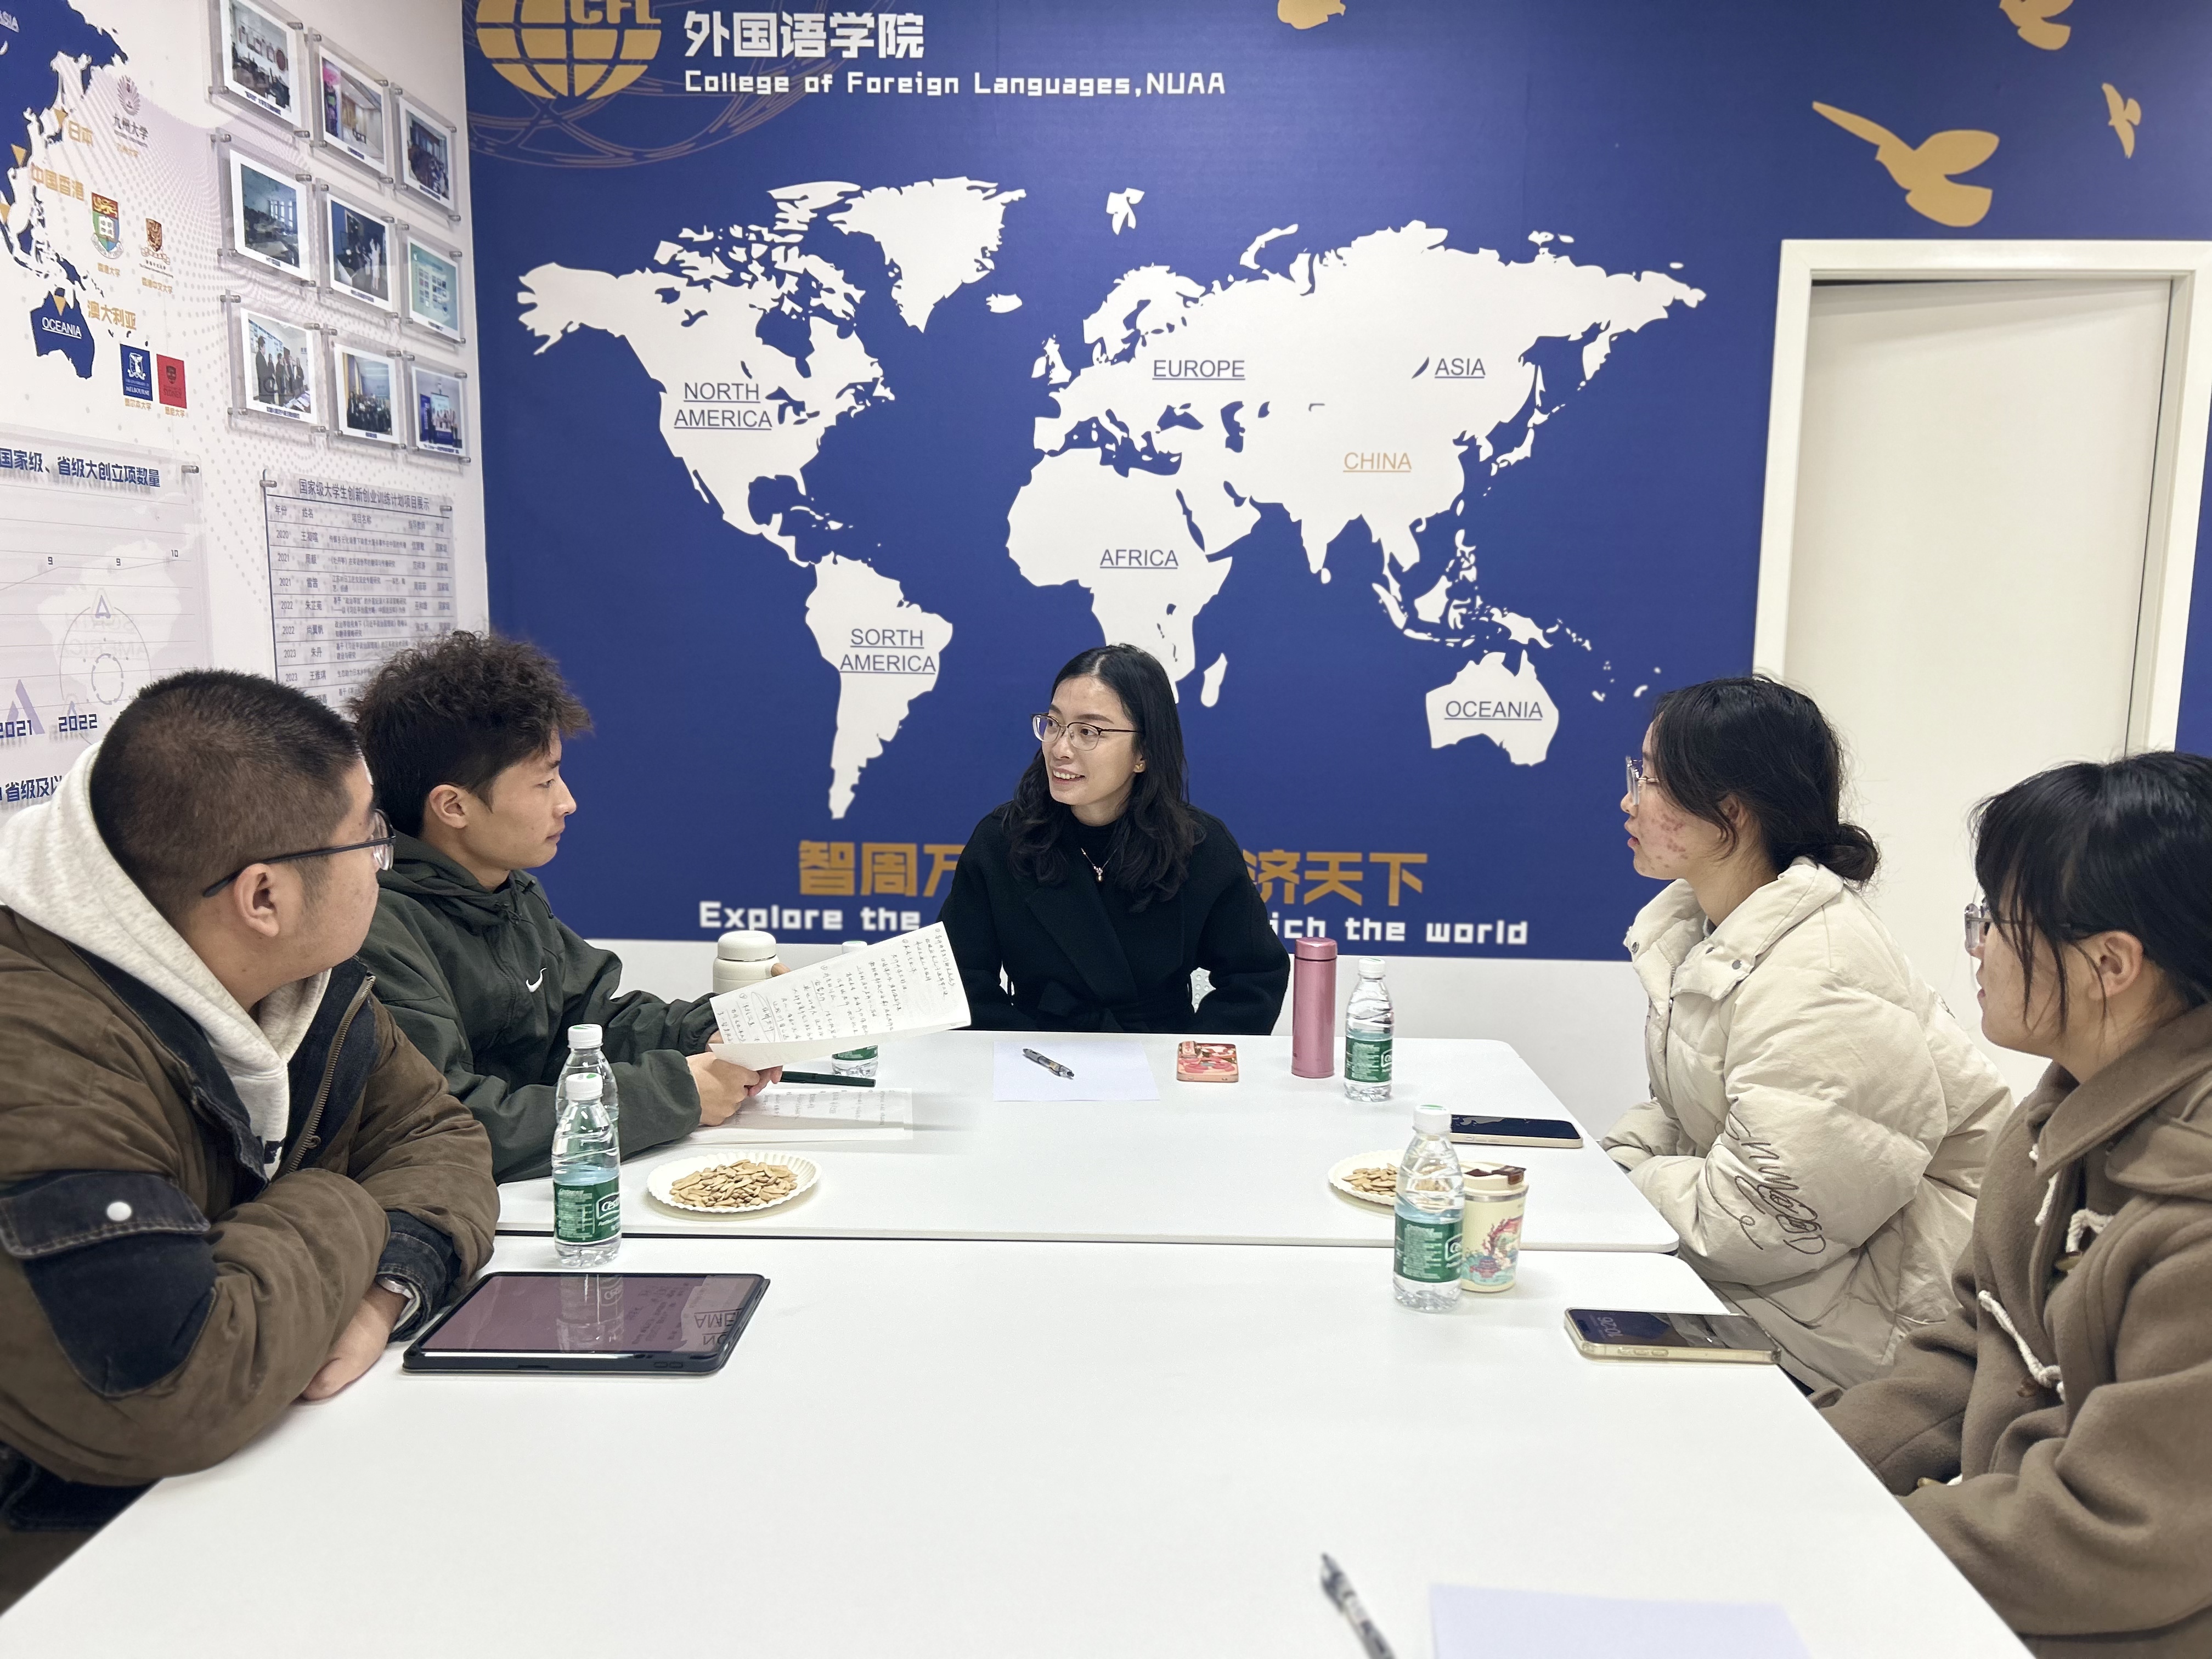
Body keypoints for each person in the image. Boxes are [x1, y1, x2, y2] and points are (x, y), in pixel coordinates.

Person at [0, 672, 496, 1611]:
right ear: (263, 895)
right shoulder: (39, 1054)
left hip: (243, 1504)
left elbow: (434, 1133)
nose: (383, 862)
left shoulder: (300, 973)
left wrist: (386, 1289)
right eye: (369, 838)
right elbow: (169, 1390)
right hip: (73, 1577)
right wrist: (339, 1199)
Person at [1819, 753, 2212, 1652]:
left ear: (2110, 963)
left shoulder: (2193, 1211)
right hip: (2011, 1574)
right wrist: (1804, 1469)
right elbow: (1978, 1342)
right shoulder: (2060, 1118)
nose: (1978, 945)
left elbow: (2121, 1534)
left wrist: (1850, 1542)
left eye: (1997, 919)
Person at [1601, 676, 2008, 1391]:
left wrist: (1626, 1184)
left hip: (1863, 1333)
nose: (1630, 801)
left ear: (1730, 812)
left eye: (1653, 780)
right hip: (1790, 1291)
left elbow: (1759, 1221)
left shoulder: (1822, 973)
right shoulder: (1714, 926)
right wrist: (1604, 1168)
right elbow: (1692, 1115)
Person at [349, 632, 770, 1183]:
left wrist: (725, 1025)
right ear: (453, 806)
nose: (567, 801)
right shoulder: (375, 930)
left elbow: (589, 1022)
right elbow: (451, 1120)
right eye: (544, 782)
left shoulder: (509, 891)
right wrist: (677, 1093)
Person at [940, 643, 1288, 1033]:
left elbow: (1254, 977)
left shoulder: (1198, 846)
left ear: (1144, 753)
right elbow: (958, 980)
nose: (1060, 749)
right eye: (1054, 724)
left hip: (1160, 1053)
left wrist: (1190, 1058)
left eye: (1088, 732)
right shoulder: (1003, 840)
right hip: (1036, 1051)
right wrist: (1022, 1048)